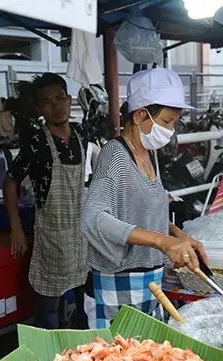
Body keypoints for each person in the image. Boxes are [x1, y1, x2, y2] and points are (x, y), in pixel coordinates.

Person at [81, 68, 208, 328]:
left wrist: (179, 236)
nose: (171, 130)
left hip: (149, 283)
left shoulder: (149, 154)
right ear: (140, 115)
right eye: (167, 121)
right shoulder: (114, 156)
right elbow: (92, 218)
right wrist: (162, 241)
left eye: (174, 123)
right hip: (118, 284)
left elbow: (145, 214)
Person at [3, 73, 88, 330]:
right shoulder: (36, 142)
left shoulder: (81, 135)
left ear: (69, 100)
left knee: (85, 303)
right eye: (47, 102)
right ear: (39, 108)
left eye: (60, 99)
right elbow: (10, 182)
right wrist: (16, 229)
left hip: (81, 234)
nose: (56, 106)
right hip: (52, 235)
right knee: (48, 307)